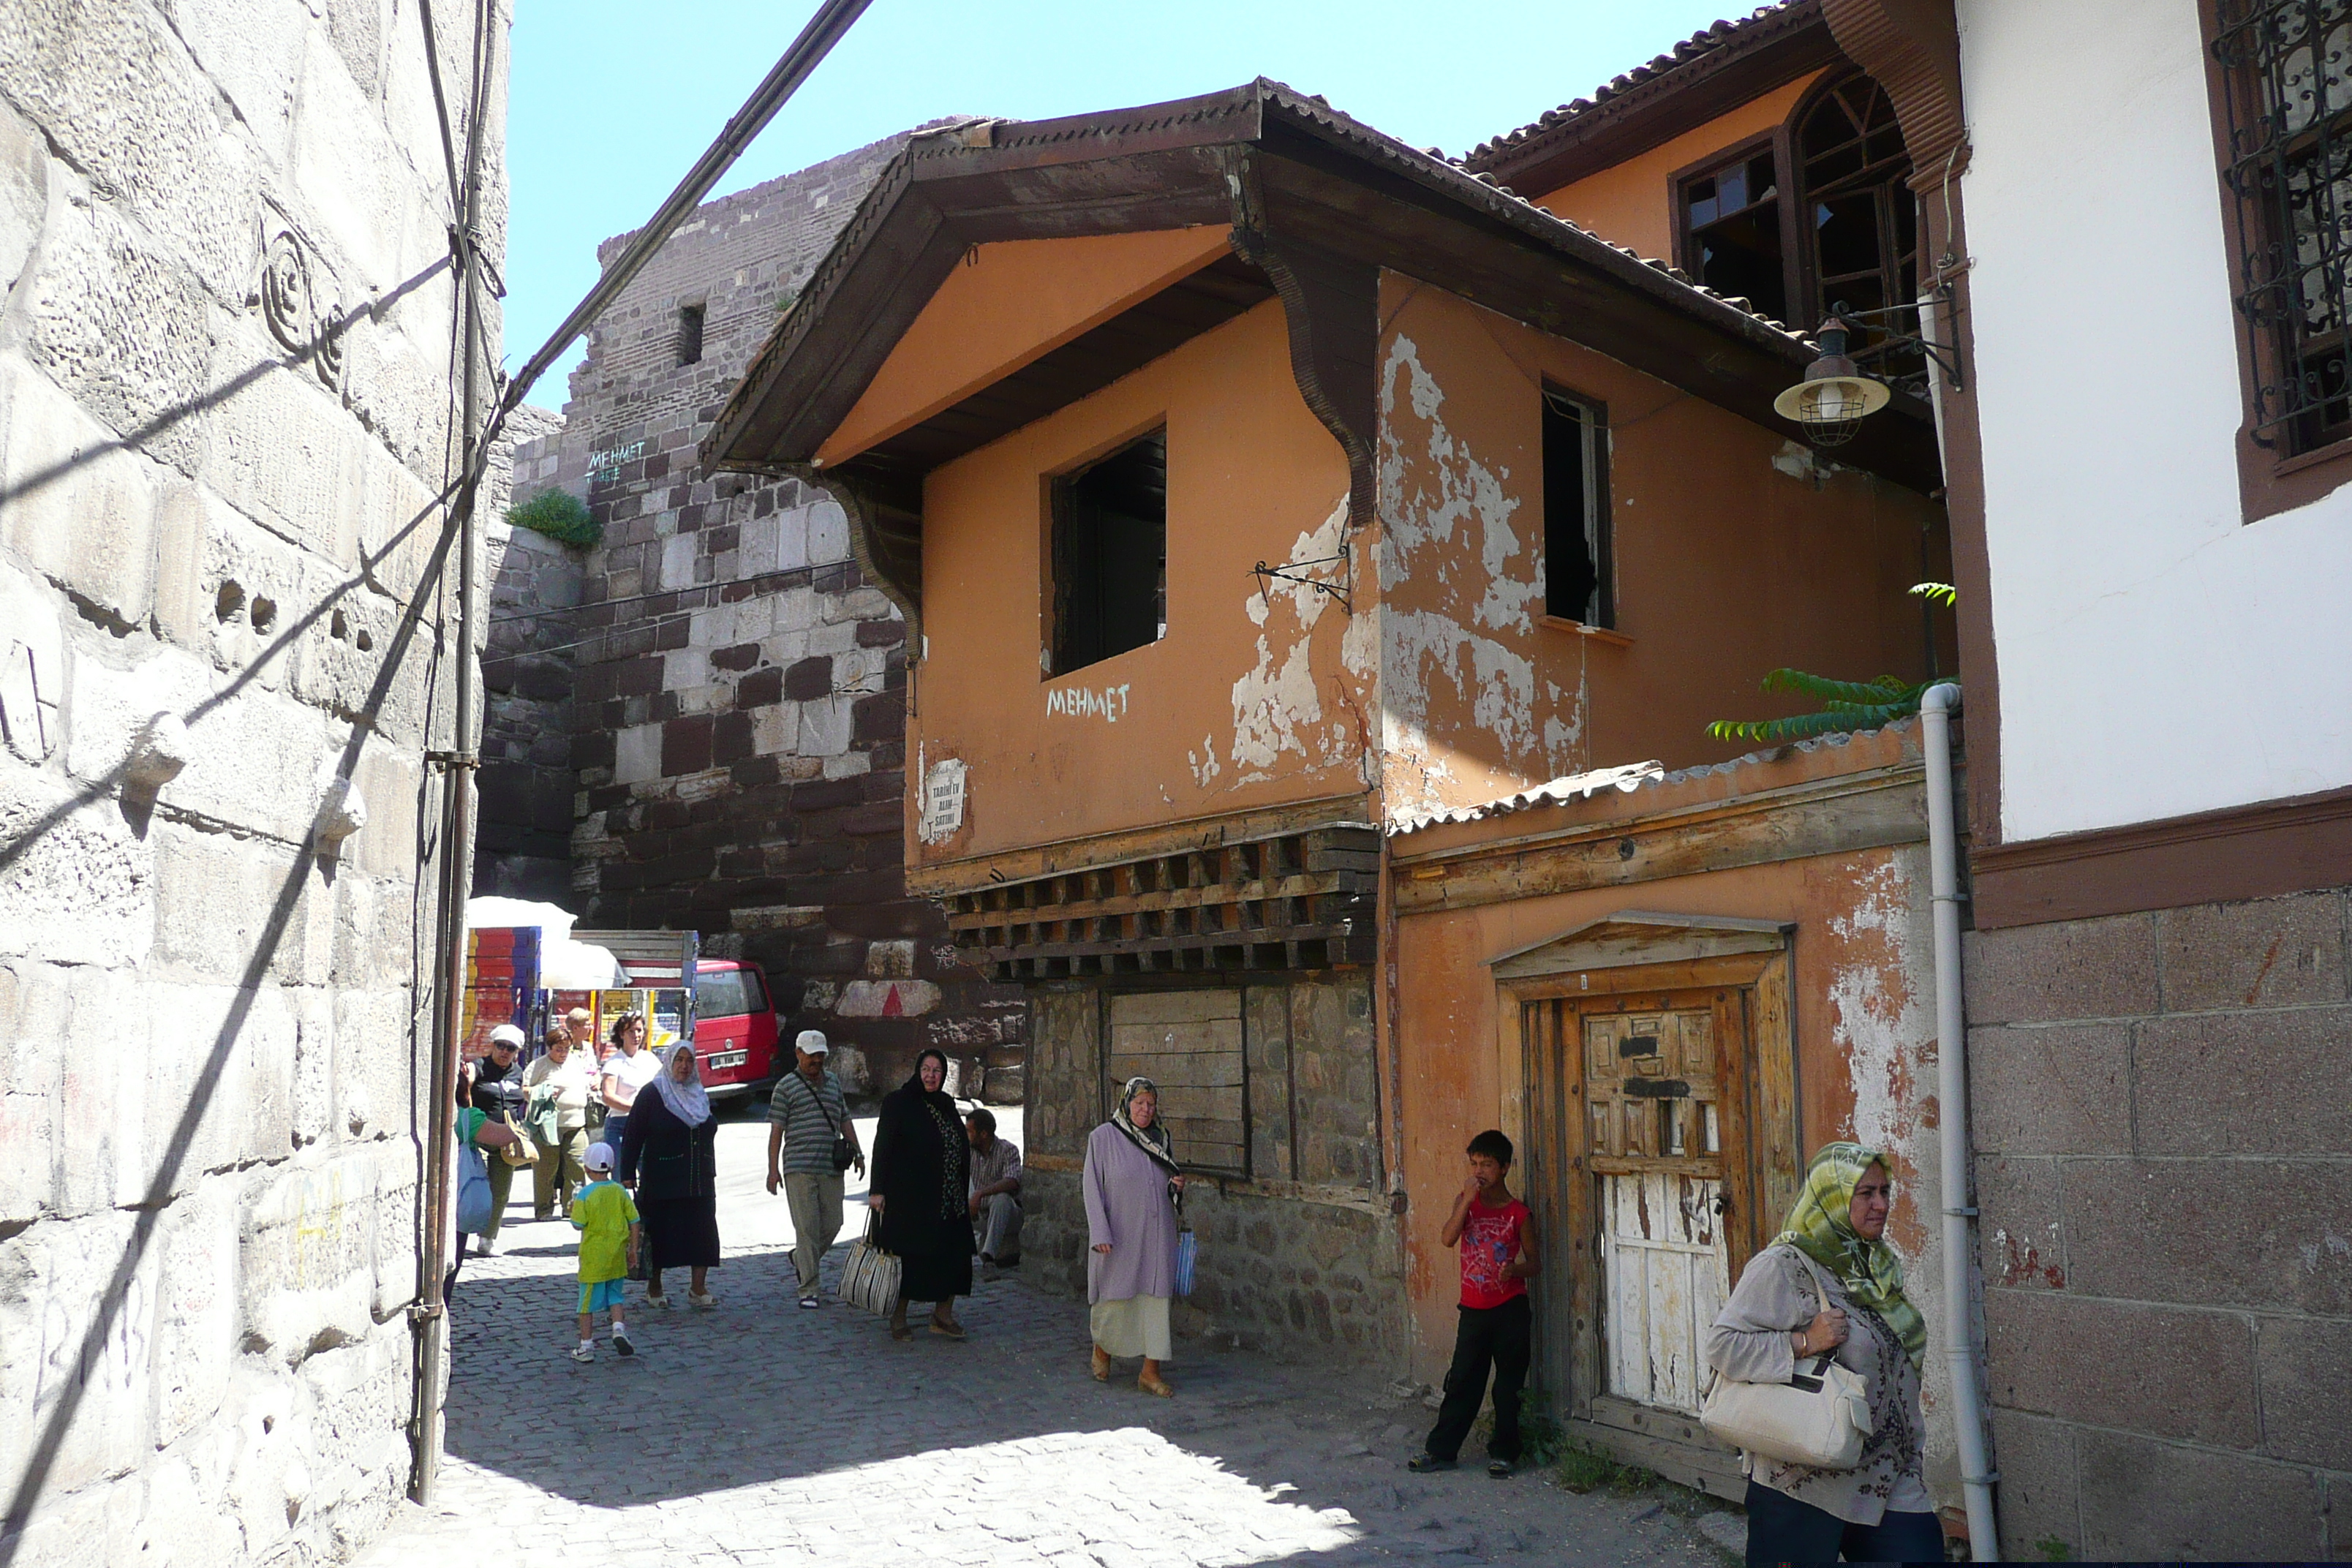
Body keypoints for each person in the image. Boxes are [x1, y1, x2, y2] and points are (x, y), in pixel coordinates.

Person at [1705, 1142, 1940, 1567]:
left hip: (1886, 1478)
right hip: (1803, 1479)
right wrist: (1805, 1342)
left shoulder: (1875, 1267)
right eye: (1865, 1193)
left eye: (1885, 1192)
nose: (1881, 1205)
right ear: (1831, 1196)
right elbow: (1723, 1346)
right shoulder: (1784, 1265)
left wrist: (1913, 1454)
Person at [1409, 1129, 1539, 1477]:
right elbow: (1448, 1239)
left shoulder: (1519, 1214)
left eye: (1488, 1164)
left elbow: (1536, 1264)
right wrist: (1466, 1201)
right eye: (1474, 1163)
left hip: (1509, 1308)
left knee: (1507, 1388)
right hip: (1473, 1309)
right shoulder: (1465, 1202)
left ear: (1506, 1167)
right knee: (1463, 1381)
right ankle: (1440, 1451)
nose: (1480, 1170)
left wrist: (1514, 1270)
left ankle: (1505, 1454)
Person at [1082, 1076, 1184, 1396]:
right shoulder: (1103, 1138)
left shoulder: (1161, 1139)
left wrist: (1175, 1188)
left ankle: (1150, 1372)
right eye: (1139, 1103)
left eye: (1151, 1104)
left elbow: (1166, 1182)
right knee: (1115, 1298)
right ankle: (1103, 1350)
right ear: (1127, 1104)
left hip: (1157, 1234)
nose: (1145, 1110)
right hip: (1119, 1236)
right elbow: (1091, 1188)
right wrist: (1100, 1230)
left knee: (1155, 1303)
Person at [867, 1049, 972, 1341]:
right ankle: (898, 1318)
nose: (930, 1075)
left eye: (937, 1070)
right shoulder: (899, 1103)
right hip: (912, 1201)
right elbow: (883, 1146)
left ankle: (943, 1315)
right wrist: (877, 1190)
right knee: (910, 1260)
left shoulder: (947, 1104)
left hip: (949, 1199)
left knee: (954, 1258)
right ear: (917, 1070)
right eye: (926, 1069)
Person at [618, 1042, 722, 1310]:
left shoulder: (698, 1094)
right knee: (660, 1234)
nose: (684, 1066)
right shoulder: (653, 1094)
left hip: (699, 1178)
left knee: (703, 1233)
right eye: (679, 1060)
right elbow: (633, 1134)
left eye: (689, 1061)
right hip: (662, 1178)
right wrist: (627, 1173)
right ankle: (655, 1288)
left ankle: (698, 1288)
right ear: (669, 1062)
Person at [764, 1029, 863, 1309]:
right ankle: (809, 1288)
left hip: (831, 1166)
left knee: (834, 1223)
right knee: (807, 1229)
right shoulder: (785, 1087)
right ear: (798, 1054)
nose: (817, 1060)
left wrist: (858, 1153)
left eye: (820, 1055)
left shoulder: (832, 1083)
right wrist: (773, 1170)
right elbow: (776, 1132)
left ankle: (801, 1259)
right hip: (799, 1167)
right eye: (811, 1055)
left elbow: (845, 1119)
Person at [461, 1024, 531, 1254]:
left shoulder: (517, 1073)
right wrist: (466, 1076)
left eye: (510, 1048)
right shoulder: (480, 1067)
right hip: (480, 1136)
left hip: (506, 1140)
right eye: (500, 1046)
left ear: (517, 1052)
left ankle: (487, 1239)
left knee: (500, 1192)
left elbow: (522, 1096)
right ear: (493, 1046)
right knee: (472, 1186)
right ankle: (459, 1231)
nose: (504, 1052)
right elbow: (466, 1080)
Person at [568, 1141, 640, 1361]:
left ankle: (586, 1346)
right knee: (615, 1296)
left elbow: (578, 1224)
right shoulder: (619, 1191)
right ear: (611, 1167)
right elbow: (634, 1220)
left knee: (586, 1304)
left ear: (587, 1170)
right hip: (617, 1254)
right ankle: (619, 1329)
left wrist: (573, 1207)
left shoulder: (585, 1195)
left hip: (593, 1257)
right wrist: (633, 1249)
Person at [524, 1020, 598, 1218]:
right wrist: (543, 1092)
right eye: (559, 1049)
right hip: (549, 1125)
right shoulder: (539, 1065)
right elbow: (524, 1090)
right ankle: (544, 1209)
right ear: (549, 1048)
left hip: (576, 1123)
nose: (563, 1053)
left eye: (566, 1048)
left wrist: (594, 1083)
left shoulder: (575, 1060)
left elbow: (589, 1077)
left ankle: (572, 1209)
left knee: (577, 1166)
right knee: (545, 1170)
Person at [598, 1013, 660, 1169]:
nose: (636, 1035)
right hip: (620, 1125)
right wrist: (635, 1109)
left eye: (639, 1030)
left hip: (648, 1125)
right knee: (621, 1176)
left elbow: (663, 1086)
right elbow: (608, 1096)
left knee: (649, 1174)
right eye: (631, 1031)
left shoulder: (651, 1059)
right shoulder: (614, 1063)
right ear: (621, 1034)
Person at [965, 1107, 1023, 1267]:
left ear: (983, 1134)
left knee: (1002, 1199)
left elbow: (1012, 1180)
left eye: (970, 1132)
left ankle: (988, 1255)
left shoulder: (1007, 1150)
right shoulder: (969, 1152)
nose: (967, 1136)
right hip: (980, 1214)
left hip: (1008, 1215)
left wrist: (980, 1194)